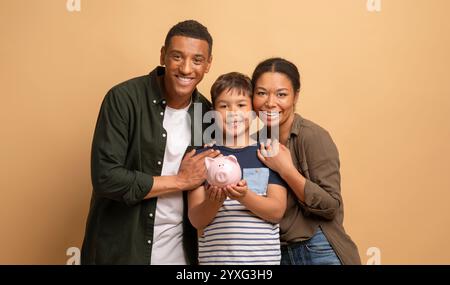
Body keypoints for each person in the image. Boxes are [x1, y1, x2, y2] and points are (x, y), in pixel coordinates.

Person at [81, 20, 220, 265]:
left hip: (180, 256)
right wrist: (179, 180)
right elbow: (106, 178)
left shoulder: (207, 115)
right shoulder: (123, 99)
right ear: (163, 55)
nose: (186, 68)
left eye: (197, 60)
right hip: (121, 253)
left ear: (208, 64)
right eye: (177, 56)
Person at [252, 58, 361, 265]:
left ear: (295, 96)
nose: (270, 102)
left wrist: (287, 171)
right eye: (262, 93)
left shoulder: (312, 136)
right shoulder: (253, 142)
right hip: (274, 254)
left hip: (318, 248)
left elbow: (331, 206)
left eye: (281, 94)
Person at [188, 72, 287, 265]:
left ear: (253, 111)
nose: (233, 113)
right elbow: (196, 220)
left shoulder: (268, 153)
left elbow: (276, 211)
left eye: (241, 105)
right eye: (224, 106)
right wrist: (215, 201)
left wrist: (243, 196)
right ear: (213, 112)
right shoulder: (203, 157)